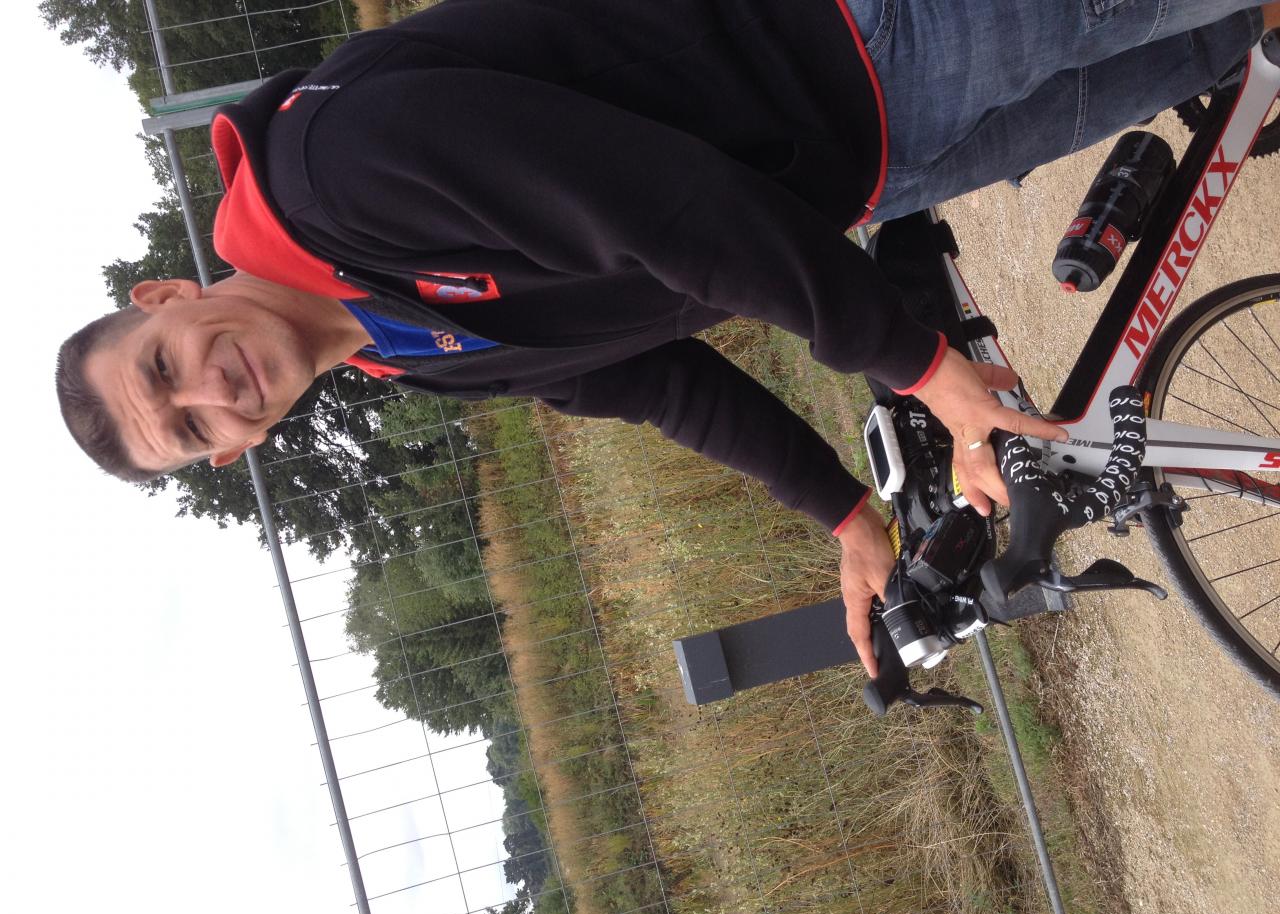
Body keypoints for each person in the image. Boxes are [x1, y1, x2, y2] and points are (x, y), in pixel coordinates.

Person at [57, 1, 1274, 676]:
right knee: (1231, 42)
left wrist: (923, 371)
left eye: (166, 367)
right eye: (193, 429)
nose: (212, 391)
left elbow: (660, 210)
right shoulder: (395, 347)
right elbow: (648, 380)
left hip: (859, 34)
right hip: (869, 155)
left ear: (166, 298)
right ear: (233, 453)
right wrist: (842, 513)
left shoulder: (336, 173)